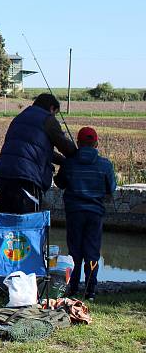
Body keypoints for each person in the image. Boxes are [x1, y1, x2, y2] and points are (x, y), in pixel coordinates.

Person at [54, 127, 116, 301]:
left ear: (79, 143)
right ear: (96, 143)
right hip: (95, 213)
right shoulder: (105, 164)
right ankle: (90, 291)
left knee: (75, 252)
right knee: (92, 252)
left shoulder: (69, 163)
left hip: (74, 213)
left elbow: (60, 183)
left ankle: (72, 289)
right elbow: (111, 188)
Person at [0, 93, 77, 214]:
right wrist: (77, 154)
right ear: (52, 108)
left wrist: (61, 160)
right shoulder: (48, 119)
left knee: (7, 222)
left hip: (3, 175)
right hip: (26, 177)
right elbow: (67, 148)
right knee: (29, 223)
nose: (55, 116)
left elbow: (36, 149)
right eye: (55, 113)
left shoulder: (19, 118)